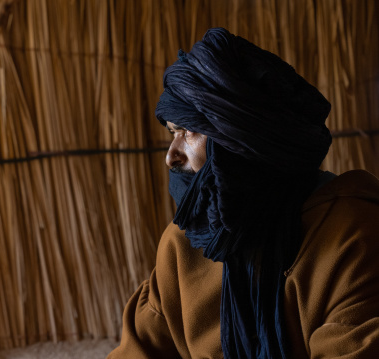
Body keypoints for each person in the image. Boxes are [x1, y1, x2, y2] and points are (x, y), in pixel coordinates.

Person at [108, 28, 379, 358]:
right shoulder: (183, 245)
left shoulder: (351, 234)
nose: (171, 155)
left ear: (238, 143)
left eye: (187, 132)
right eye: (171, 133)